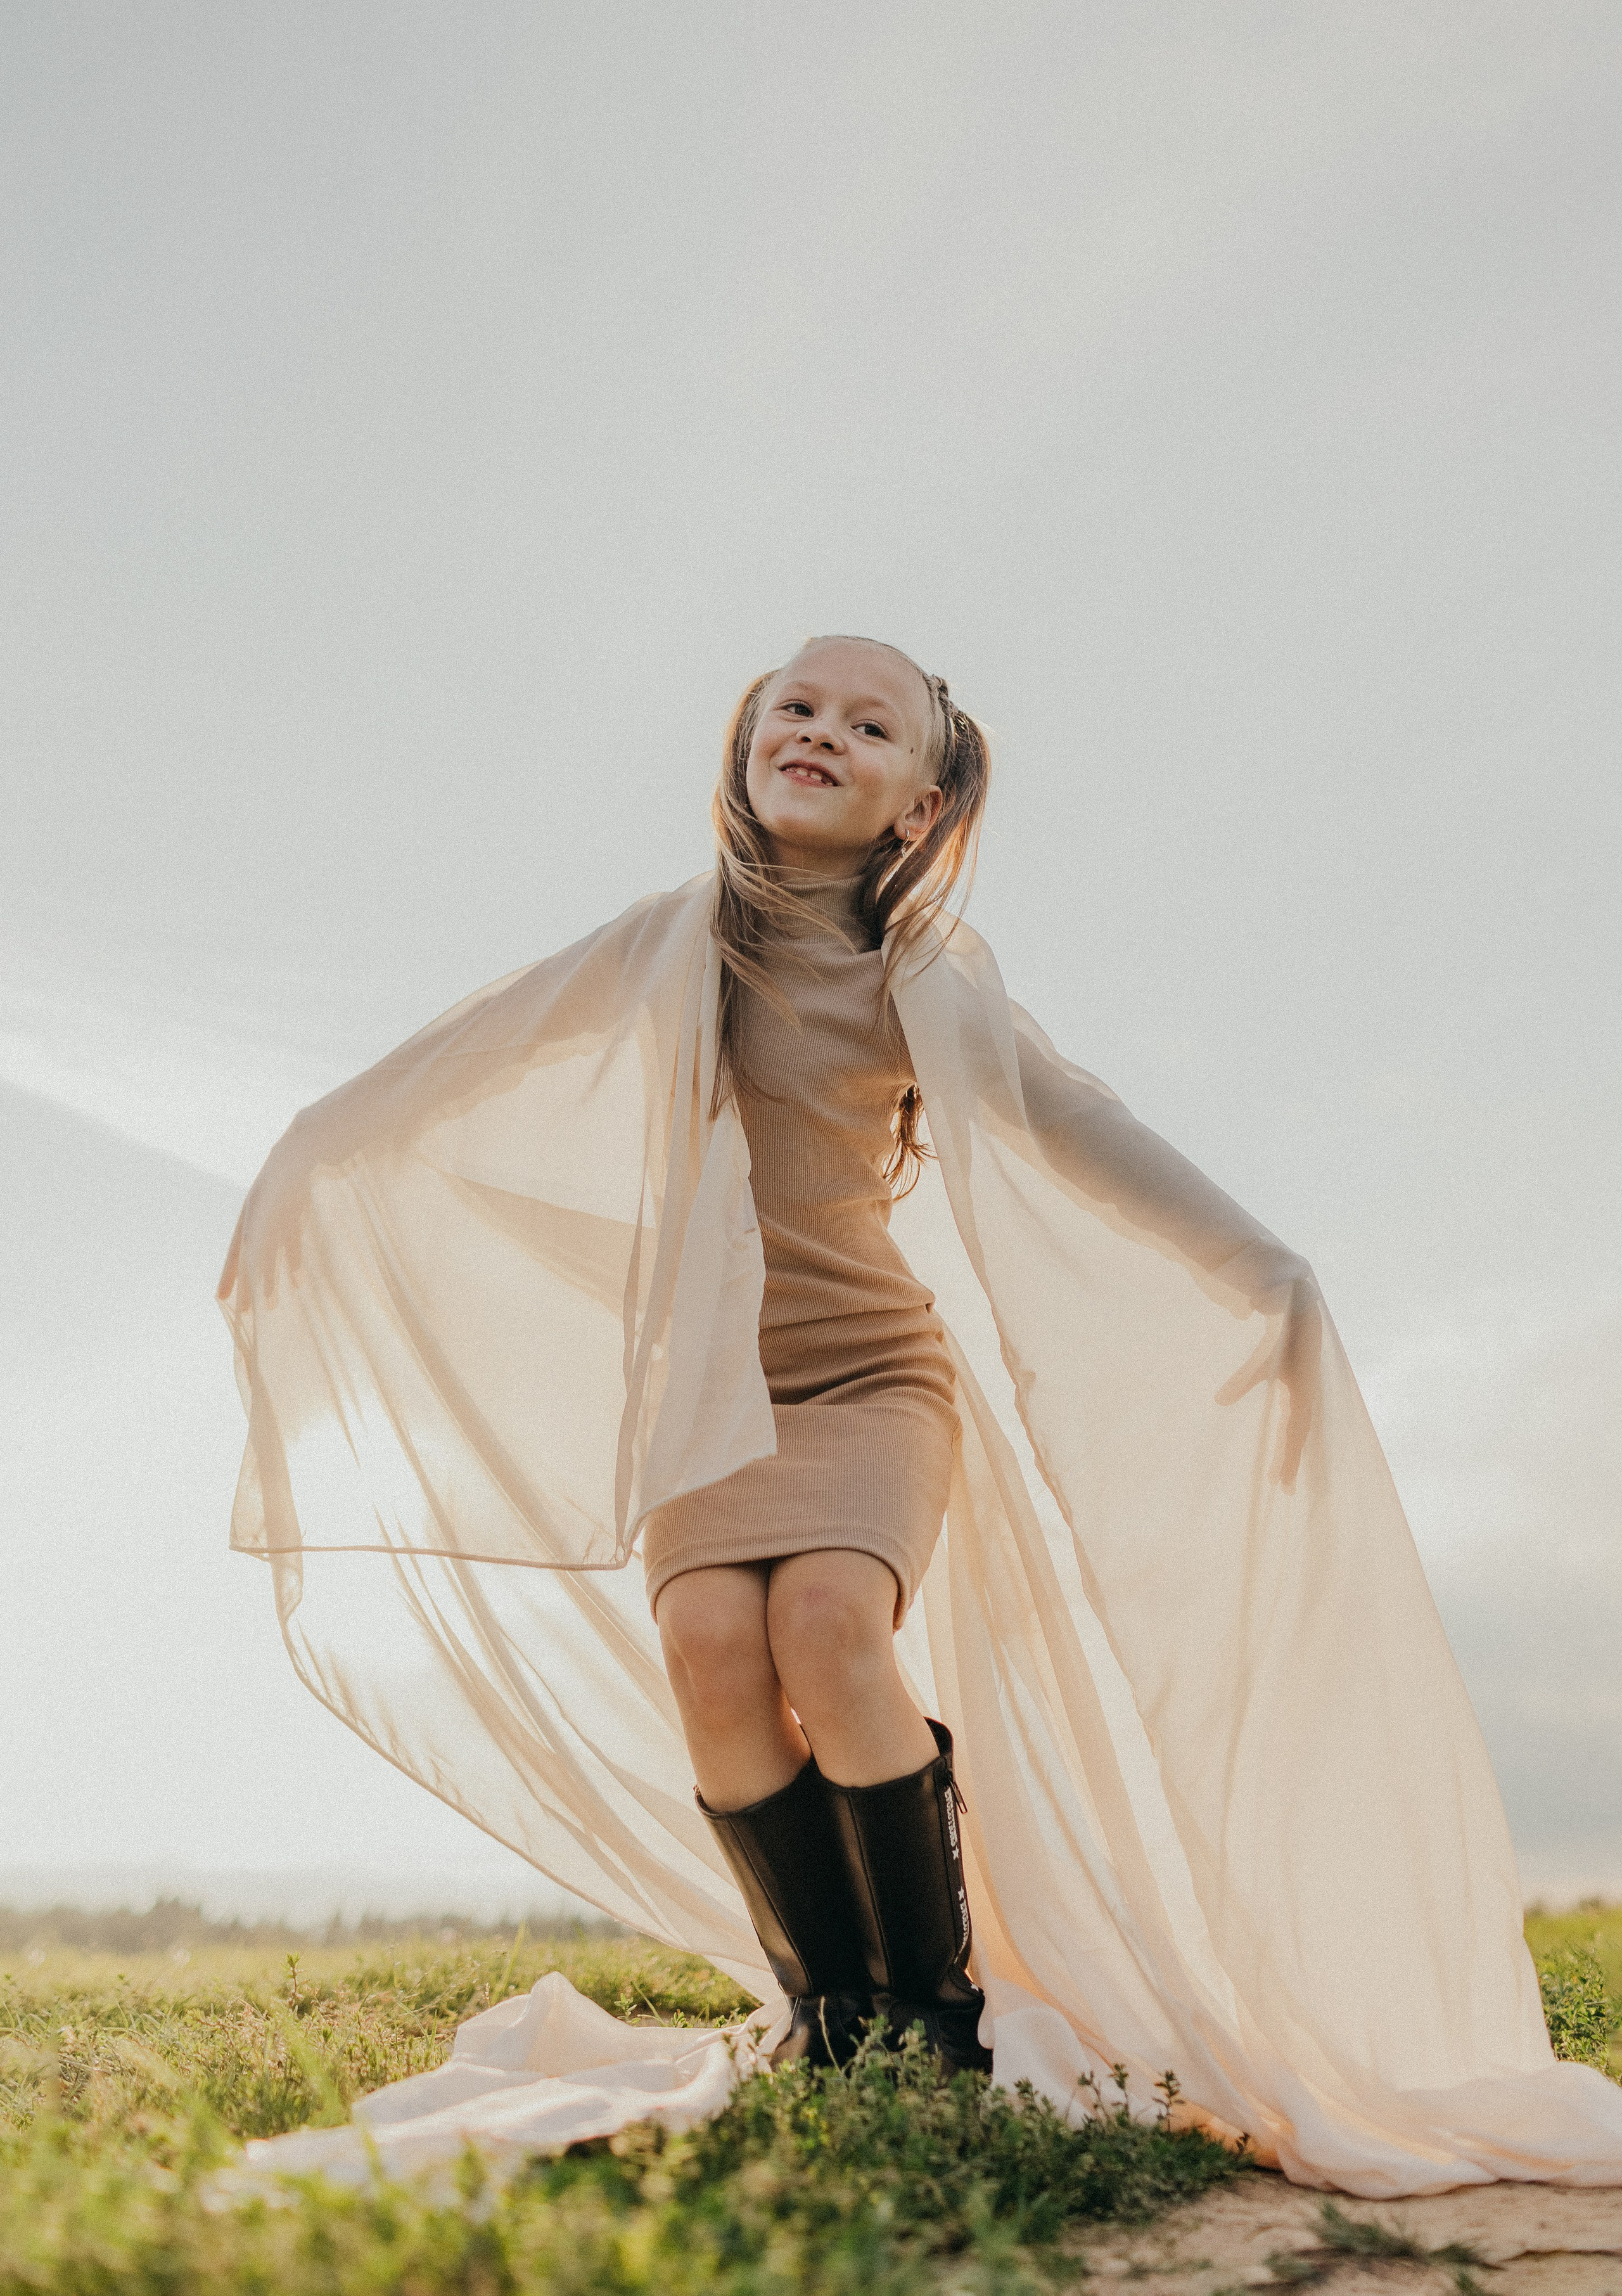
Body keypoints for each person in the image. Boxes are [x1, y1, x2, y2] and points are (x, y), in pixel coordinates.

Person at [219, 633, 1622, 2190]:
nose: (815, 730)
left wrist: (1258, 1265)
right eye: (792, 708)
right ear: (747, 749)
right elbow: (462, 1066)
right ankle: (831, 2016)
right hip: (710, 1394)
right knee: (705, 1656)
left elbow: (1076, 1123)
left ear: (915, 802)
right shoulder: (665, 945)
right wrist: (307, 1162)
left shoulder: (917, 977)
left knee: (829, 1619)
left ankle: (933, 2021)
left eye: (864, 723)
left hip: (871, 1375)